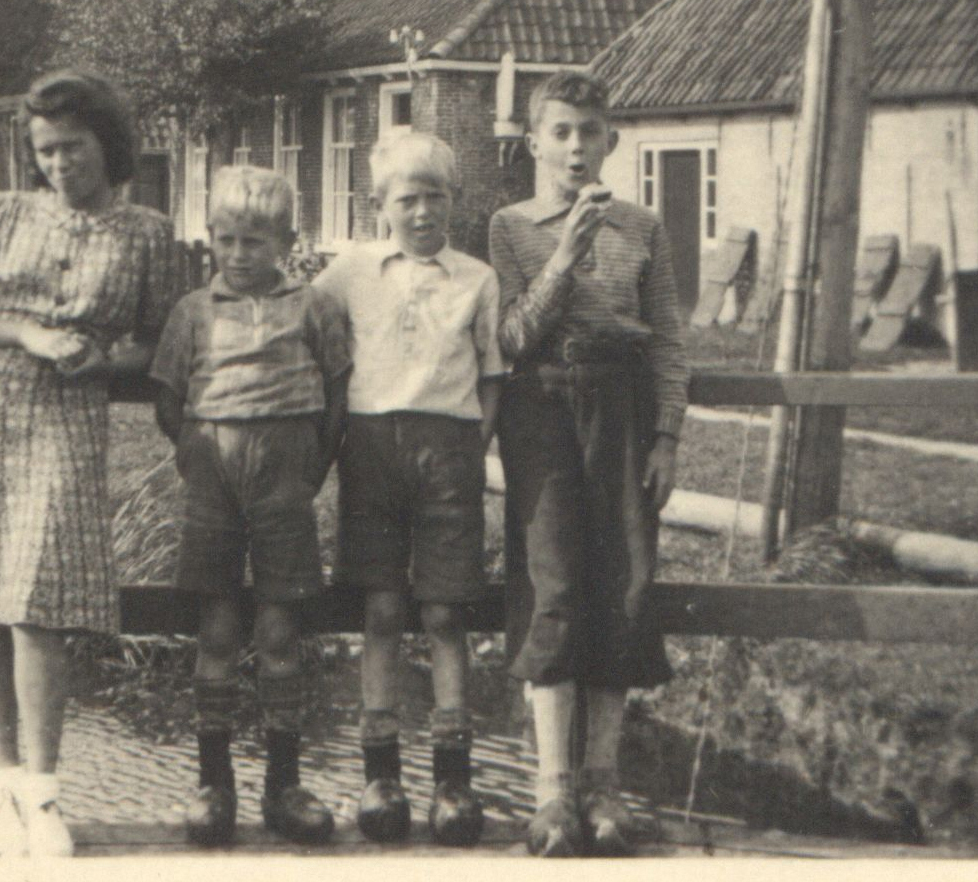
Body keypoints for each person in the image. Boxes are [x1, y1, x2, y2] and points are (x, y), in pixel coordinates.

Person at [0, 69, 178, 857]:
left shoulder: (145, 231)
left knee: (36, 601)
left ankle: (42, 795)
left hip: (67, 416)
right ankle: (2, 793)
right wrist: (26, 334)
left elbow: (157, 342)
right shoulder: (7, 211)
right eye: (44, 151)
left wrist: (104, 359)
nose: (58, 164)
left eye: (72, 147)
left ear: (107, 143)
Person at [488, 69, 686, 857]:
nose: (575, 147)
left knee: (623, 582)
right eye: (560, 132)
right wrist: (564, 255)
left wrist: (665, 435)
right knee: (554, 583)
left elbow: (666, 339)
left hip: (623, 412)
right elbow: (509, 338)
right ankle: (551, 791)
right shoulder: (509, 226)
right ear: (532, 143)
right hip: (541, 410)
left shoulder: (643, 226)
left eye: (589, 132)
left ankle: (602, 784)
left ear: (611, 139)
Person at [149, 166, 349, 848]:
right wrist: (197, 450)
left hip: (285, 475)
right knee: (216, 628)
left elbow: (337, 392)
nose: (237, 254)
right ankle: (215, 786)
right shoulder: (193, 310)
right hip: (213, 472)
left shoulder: (313, 306)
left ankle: (282, 786)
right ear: (210, 237)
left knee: (279, 629)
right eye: (226, 239)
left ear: (287, 242)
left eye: (255, 242)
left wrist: (311, 465)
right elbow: (168, 398)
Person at [314, 131, 504, 847]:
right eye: (407, 199)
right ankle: (380, 776)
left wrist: (472, 446)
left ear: (454, 200)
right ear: (380, 205)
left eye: (436, 197)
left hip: (449, 452)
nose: (422, 212)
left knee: (446, 613)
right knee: (383, 609)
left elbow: (493, 376)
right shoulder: (348, 272)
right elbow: (303, 328)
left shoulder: (477, 279)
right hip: (369, 450)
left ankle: (453, 782)